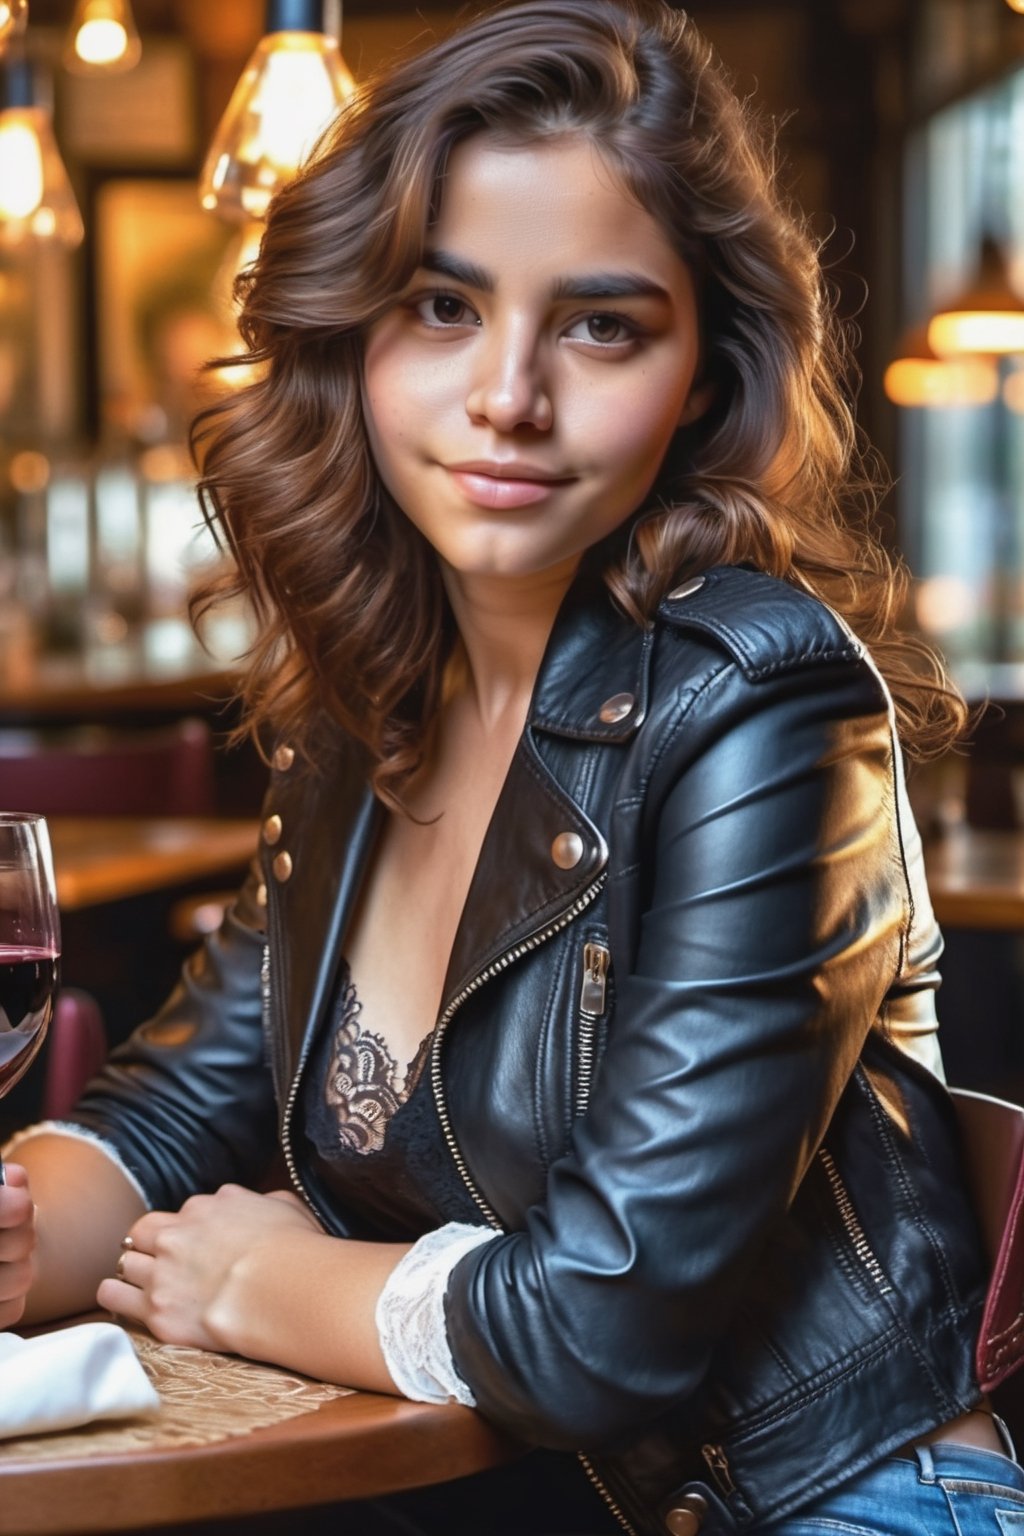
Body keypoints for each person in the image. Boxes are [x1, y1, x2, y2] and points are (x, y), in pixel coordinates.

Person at [0, 3, 1016, 1532]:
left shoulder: (766, 704)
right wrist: (24, 1230)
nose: (509, 397)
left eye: (601, 324)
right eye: (443, 309)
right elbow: (165, 1122)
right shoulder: (372, 705)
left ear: (704, 369)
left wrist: (272, 1279)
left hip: (816, 1502)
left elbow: (603, 1329)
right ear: (353, 332)